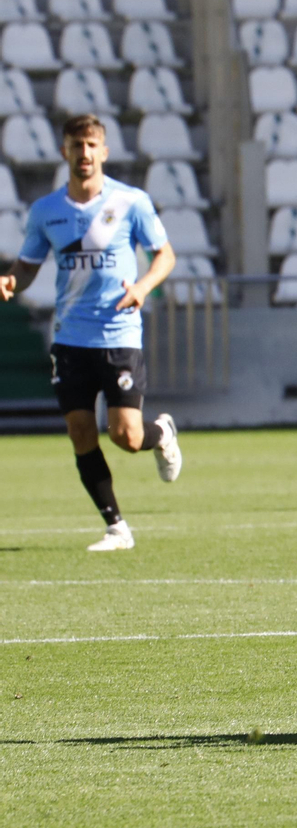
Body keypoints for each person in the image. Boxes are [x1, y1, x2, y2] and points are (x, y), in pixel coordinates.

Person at [0, 113, 181, 552]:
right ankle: (117, 527)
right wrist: (10, 280)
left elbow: (165, 256)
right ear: (65, 151)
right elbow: (28, 264)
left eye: (91, 145)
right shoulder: (47, 211)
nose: (84, 154)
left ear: (104, 151)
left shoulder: (130, 202)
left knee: (126, 436)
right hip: (71, 337)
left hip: (118, 334)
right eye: (76, 145)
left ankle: (163, 435)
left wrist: (142, 286)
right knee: (81, 432)